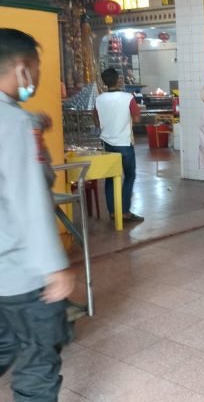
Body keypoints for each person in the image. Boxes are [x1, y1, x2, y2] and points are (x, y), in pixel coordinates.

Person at [0, 28, 75, 401]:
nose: (39, 75)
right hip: (20, 272)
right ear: (22, 68)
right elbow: (28, 197)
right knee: (37, 362)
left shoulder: (20, 121)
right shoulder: (14, 123)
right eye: (38, 66)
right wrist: (54, 266)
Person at [94, 67, 143, 222]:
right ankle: (124, 211)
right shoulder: (128, 97)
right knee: (129, 175)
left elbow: (96, 121)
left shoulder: (99, 99)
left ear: (104, 82)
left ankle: (113, 212)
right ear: (118, 80)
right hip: (124, 142)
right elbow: (137, 119)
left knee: (110, 177)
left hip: (107, 142)